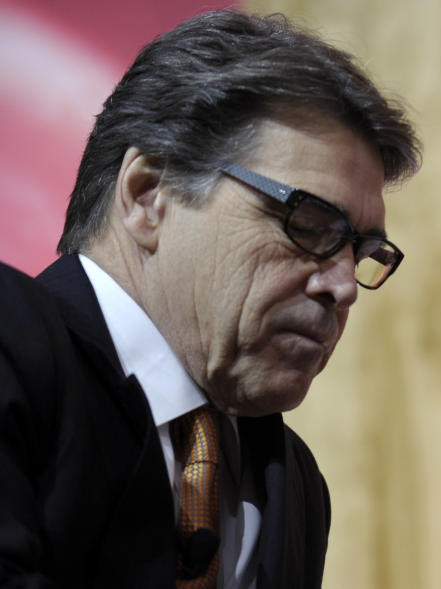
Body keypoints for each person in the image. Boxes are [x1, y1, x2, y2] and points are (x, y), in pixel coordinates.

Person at [0, 9, 419, 588]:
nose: (344, 286)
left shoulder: (296, 484)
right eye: (309, 222)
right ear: (149, 194)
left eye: (361, 250)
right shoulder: (12, 346)